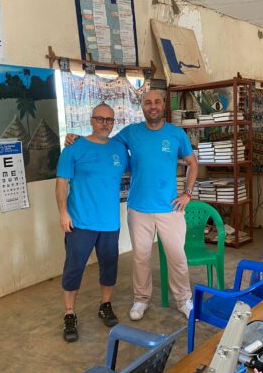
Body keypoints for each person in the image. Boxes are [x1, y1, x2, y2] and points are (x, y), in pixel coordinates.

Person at [66, 90, 198, 321]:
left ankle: (183, 299)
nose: (153, 106)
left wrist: (187, 193)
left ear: (163, 105)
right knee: (141, 257)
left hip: (170, 208)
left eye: (157, 102)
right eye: (148, 103)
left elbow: (192, 163)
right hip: (138, 208)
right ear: (142, 107)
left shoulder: (176, 134)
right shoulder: (130, 132)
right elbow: (101, 141)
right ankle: (141, 299)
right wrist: (76, 138)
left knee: (177, 257)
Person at [56, 103, 128, 342]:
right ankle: (69, 313)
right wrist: (63, 213)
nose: (104, 123)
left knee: (109, 266)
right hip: (80, 222)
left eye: (109, 120)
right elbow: (62, 184)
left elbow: (140, 169)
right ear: (91, 120)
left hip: (109, 223)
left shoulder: (119, 149)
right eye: (100, 119)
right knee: (74, 268)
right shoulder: (73, 148)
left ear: (113, 123)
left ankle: (105, 305)